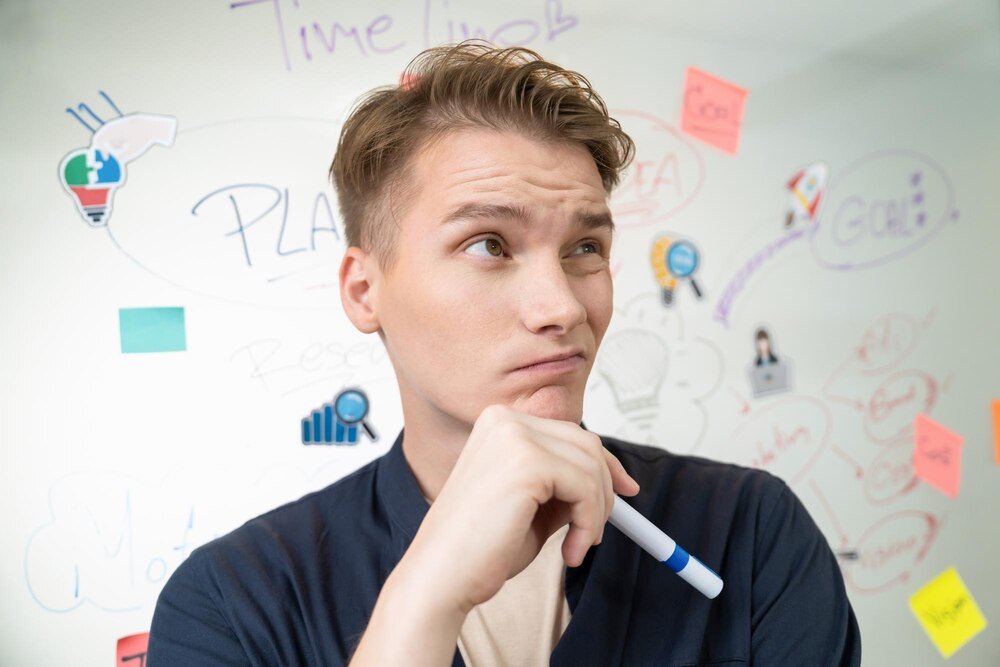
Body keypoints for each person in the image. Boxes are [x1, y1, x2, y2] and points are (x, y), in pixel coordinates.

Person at [147, 41, 861, 666]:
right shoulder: (232, 600)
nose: (564, 308)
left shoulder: (749, 532)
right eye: (488, 244)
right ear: (365, 291)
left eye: (585, 247)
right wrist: (424, 597)